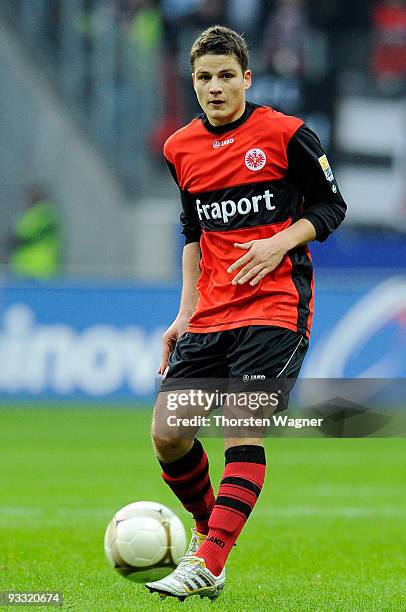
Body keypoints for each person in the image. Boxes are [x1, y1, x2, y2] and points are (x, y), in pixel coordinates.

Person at [146, 25, 347, 601]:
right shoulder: (179, 147)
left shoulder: (286, 135)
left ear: (246, 78)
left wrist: (279, 242)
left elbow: (334, 205)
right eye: (204, 77)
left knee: (242, 425)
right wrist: (183, 314)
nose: (214, 87)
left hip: (277, 306)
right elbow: (193, 232)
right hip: (211, 312)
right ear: (193, 82)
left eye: (226, 76)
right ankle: (211, 537)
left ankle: (208, 561)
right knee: (168, 435)